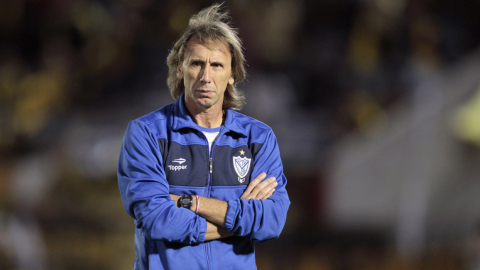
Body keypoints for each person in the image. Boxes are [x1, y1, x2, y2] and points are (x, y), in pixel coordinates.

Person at [117, 3, 290, 269]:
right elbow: (158, 220)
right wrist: (240, 219)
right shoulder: (146, 133)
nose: (206, 77)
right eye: (197, 63)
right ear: (179, 69)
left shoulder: (258, 138)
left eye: (217, 65)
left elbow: (272, 221)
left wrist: (192, 203)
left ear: (232, 74)